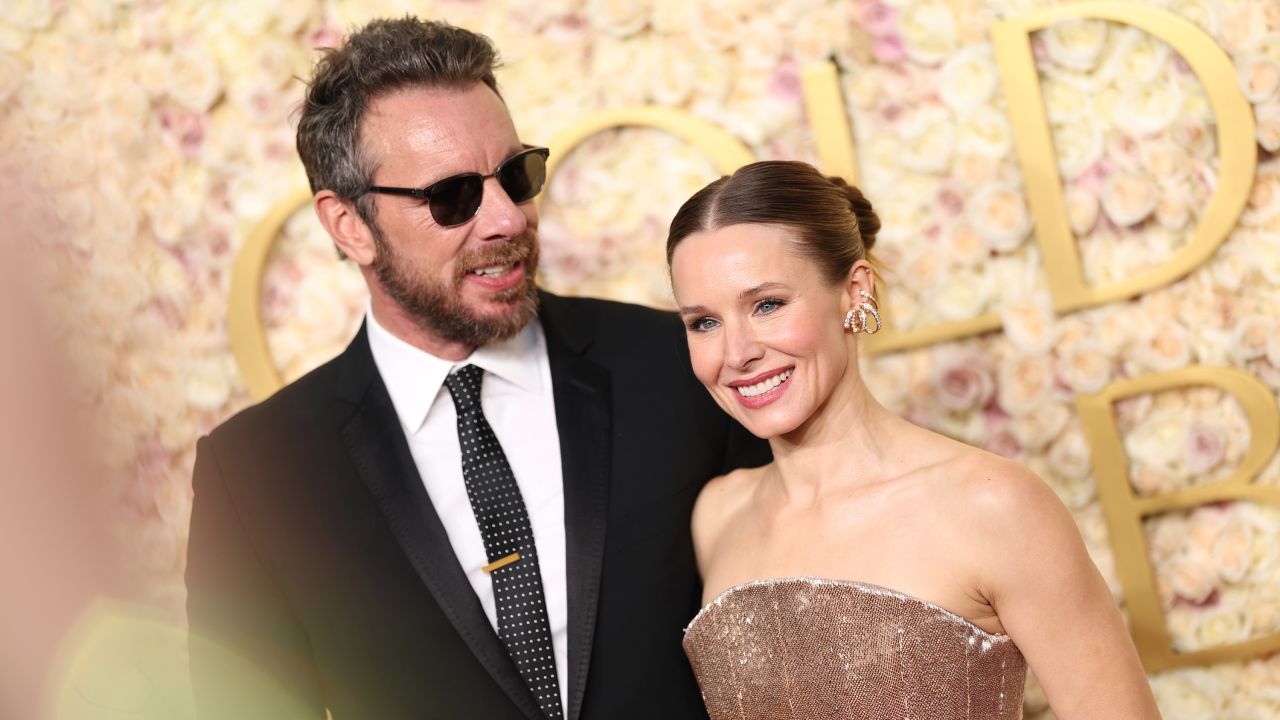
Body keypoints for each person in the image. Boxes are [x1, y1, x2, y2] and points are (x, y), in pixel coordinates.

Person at [184, 18, 768, 720]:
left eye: (517, 176)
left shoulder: (678, 366)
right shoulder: (254, 471)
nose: (507, 220)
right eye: (452, 196)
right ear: (349, 225)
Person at [666, 161, 1162, 719]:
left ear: (855, 292)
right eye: (704, 322)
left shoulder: (994, 505)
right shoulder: (717, 516)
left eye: (768, 305)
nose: (736, 354)